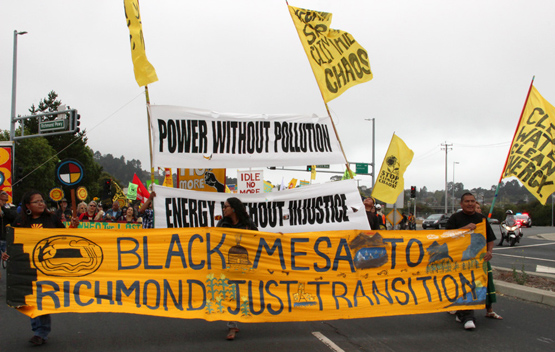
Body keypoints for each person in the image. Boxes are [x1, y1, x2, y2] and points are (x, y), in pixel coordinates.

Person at [2, 190, 79, 345]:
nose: (41, 203)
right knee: (31, 300)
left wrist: (73, 226)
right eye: (37, 201)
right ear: (28, 205)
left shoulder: (52, 219)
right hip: (27, 268)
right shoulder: (19, 222)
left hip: (47, 267)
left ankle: (40, 332)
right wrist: (6, 253)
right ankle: (39, 330)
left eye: (42, 200)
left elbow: (64, 238)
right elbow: (13, 242)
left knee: (41, 299)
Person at [445, 192, 496, 330]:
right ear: (461, 204)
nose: (470, 203)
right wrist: (463, 229)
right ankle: (465, 315)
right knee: (462, 286)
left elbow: (490, 239)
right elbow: (446, 236)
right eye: (467, 201)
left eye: (472, 201)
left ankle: (466, 315)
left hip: (477, 262)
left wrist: (489, 252)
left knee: (472, 286)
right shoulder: (455, 218)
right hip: (459, 260)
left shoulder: (482, 219)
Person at [216, 197, 258, 340]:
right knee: (230, 294)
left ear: (233, 208)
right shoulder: (222, 224)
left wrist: (275, 238)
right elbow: (215, 240)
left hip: (244, 265)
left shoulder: (247, 223)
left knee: (241, 294)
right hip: (227, 264)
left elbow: (259, 237)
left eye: (226, 206)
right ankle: (232, 326)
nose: (224, 209)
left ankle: (237, 318)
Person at [475, 202, 503, 320]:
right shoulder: (460, 220)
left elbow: (490, 239)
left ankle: (489, 310)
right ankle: (460, 309)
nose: (477, 209)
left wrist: (489, 252)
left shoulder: (483, 222)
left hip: (482, 259)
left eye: (478, 207)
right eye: (476, 207)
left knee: (486, 284)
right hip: (466, 260)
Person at [0, 191, 16, 270]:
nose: (3, 202)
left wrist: (3, 208)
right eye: (1, 200)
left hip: (5, 238)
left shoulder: (10, 207)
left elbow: (13, 217)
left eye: (5, 200)